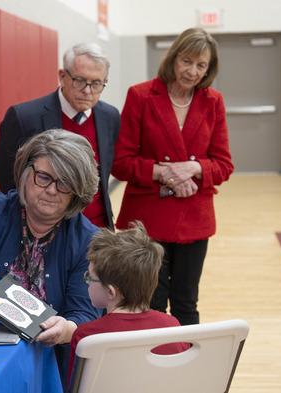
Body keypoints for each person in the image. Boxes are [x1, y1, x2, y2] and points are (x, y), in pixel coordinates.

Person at [0, 129, 102, 386]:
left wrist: (67, 329)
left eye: (64, 183)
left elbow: (84, 314)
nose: (51, 190)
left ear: (78, 191)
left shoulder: (87, 239)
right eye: (43, 177)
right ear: (26, 173)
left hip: (47, 366)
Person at [111, 27, 234, 326]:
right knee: (149, 303)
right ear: (173, 58)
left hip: (194, 219)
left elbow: (224, 165)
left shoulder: (213, 101)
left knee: (186, 302)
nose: (192, 71)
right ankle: (151, 367)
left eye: (201, 65)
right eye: (187, 61)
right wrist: (166, 173)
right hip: (146, 221)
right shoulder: (140, 95)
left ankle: (185, 368)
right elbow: (121, 163)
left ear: (209, 69)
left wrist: (193, 168)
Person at [0, 42, 121, 229]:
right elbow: (8, 181)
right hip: (43, 229)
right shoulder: (24, 117)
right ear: (62, 76)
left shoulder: (110, 117)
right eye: (80, 81)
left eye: (96, 84)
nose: (87, 91)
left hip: (97, 229)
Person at [68, 221, 189, 384]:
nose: (87, 282)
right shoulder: (172, 327)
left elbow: (75, 387)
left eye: (89, 276)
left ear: (111, 292)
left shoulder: (87, 336)